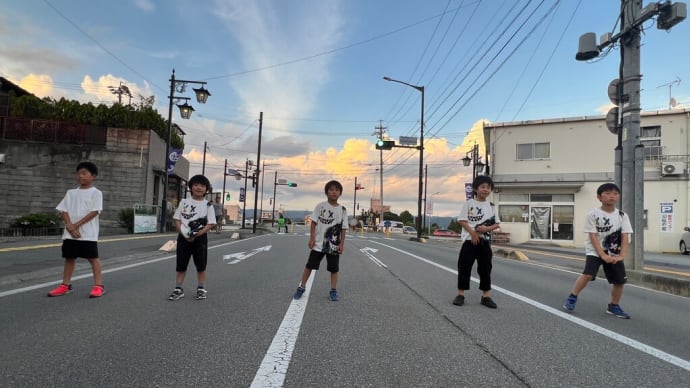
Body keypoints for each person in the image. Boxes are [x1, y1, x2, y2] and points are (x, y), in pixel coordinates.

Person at [563, 183, 633, 319]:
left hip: (614, 252)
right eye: (607, 193)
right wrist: (602, 254)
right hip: (594, 250)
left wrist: (621, 255)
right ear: (599, 197)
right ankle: (572, 297)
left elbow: (625, 235)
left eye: (615, 193)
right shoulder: (593, 214)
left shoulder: (622, 216)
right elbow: (593, 235)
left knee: (619, 281)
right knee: (588, 274)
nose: (612, 196)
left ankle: (614, 306)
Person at [47, 161, 105, 298]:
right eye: (78, 173)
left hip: (88, 233)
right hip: (70, 233)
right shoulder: (71, 193)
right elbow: (63, 210)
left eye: (84, 173)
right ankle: (65, 285)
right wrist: (69, 226)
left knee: (93, 258)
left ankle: (98, 286)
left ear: (93, 176)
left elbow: (94, 212)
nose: (80, 176)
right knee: (69, 258)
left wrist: (75, 226)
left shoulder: (96, 193)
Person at [293, 180, 347, 302]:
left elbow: (343, 229)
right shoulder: (320, 206)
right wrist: (312, 238)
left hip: (333, 245)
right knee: (309, 266)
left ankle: (333, 290)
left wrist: (342, 244)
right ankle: (301, 287)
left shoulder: (343, 210)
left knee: (334, 269)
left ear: (340, 193)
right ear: (326, 192)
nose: (334, 192)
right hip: (318, 244)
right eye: (331, 190)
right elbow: (313, 222)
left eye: (337, 190)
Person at [453, 175, 501, 308]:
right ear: (475, 188)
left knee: (485, 269)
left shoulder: (491, 206)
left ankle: (486, 296)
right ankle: (460, 294)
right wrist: (473, 233)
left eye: (489, 187)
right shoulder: (469, 204)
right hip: (469, 241)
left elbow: (497, 224)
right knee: (464, 267)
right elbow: (462, 220)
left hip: (484, 242)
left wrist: (486, 228)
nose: (486, 190)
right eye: (483, 187)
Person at [168, 175, 217, 301]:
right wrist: (184, 234)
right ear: (191, 187)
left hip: (200, 239)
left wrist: (197, 234)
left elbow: (211, 223)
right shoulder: (184, 202)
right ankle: (178, 289)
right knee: (181, 264)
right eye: (196, 185)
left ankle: (201, 288)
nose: (199, 188)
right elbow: (177, 219)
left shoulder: (208, 205)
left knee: (201, 265)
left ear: (206, 189)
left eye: (202, 185)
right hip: (183, 237)